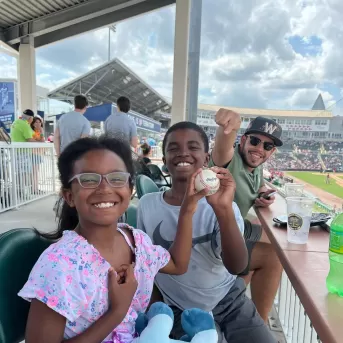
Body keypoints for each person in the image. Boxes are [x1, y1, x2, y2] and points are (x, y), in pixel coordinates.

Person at [18, 135, 209, 343]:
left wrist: (187, 209)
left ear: (130, 190)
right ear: (69, 196)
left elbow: (178, 264)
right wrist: (117, 311)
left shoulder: (137, 242)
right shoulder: (59, 266)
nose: (105, 188)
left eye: (116, 178)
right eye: (89, 179)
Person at [137, 121, 276, 343]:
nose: (183, 152)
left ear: (206, 158)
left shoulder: (222, 204)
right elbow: (146, 268)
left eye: (193, 147)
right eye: (173, 148)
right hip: (176, 307)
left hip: (228, 299)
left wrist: (223, 210)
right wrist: (155, 312)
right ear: (164, 160)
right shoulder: (148, 205)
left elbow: (238, 266)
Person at [210, 110, 284, 323]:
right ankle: (260, 324)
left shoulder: (256, 166)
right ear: (242, 140)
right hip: (214, 238)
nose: (259, 149)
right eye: (255, 141)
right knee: (274, 255)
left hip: (232, 231)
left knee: (275, 241)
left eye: (267, 146)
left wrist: (262, 194)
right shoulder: (229, 159)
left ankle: (238, 293)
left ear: (271, 152)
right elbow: (222, 148)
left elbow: (258, 183)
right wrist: (229, 128)